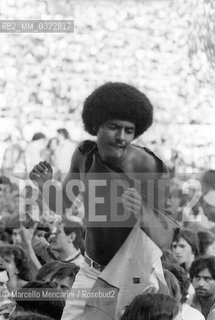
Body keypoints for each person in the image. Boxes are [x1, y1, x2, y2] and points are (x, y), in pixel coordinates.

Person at [30, 82, 178, 319]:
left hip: (134, 276)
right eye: (114, 127)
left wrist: (143, 212)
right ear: (95, 124)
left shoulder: (147, 165)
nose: (122, 137)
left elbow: (166, 237)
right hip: (90, 271)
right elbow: (63, 206)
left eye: (129, 130)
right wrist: (45, 184)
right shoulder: (84, 155)